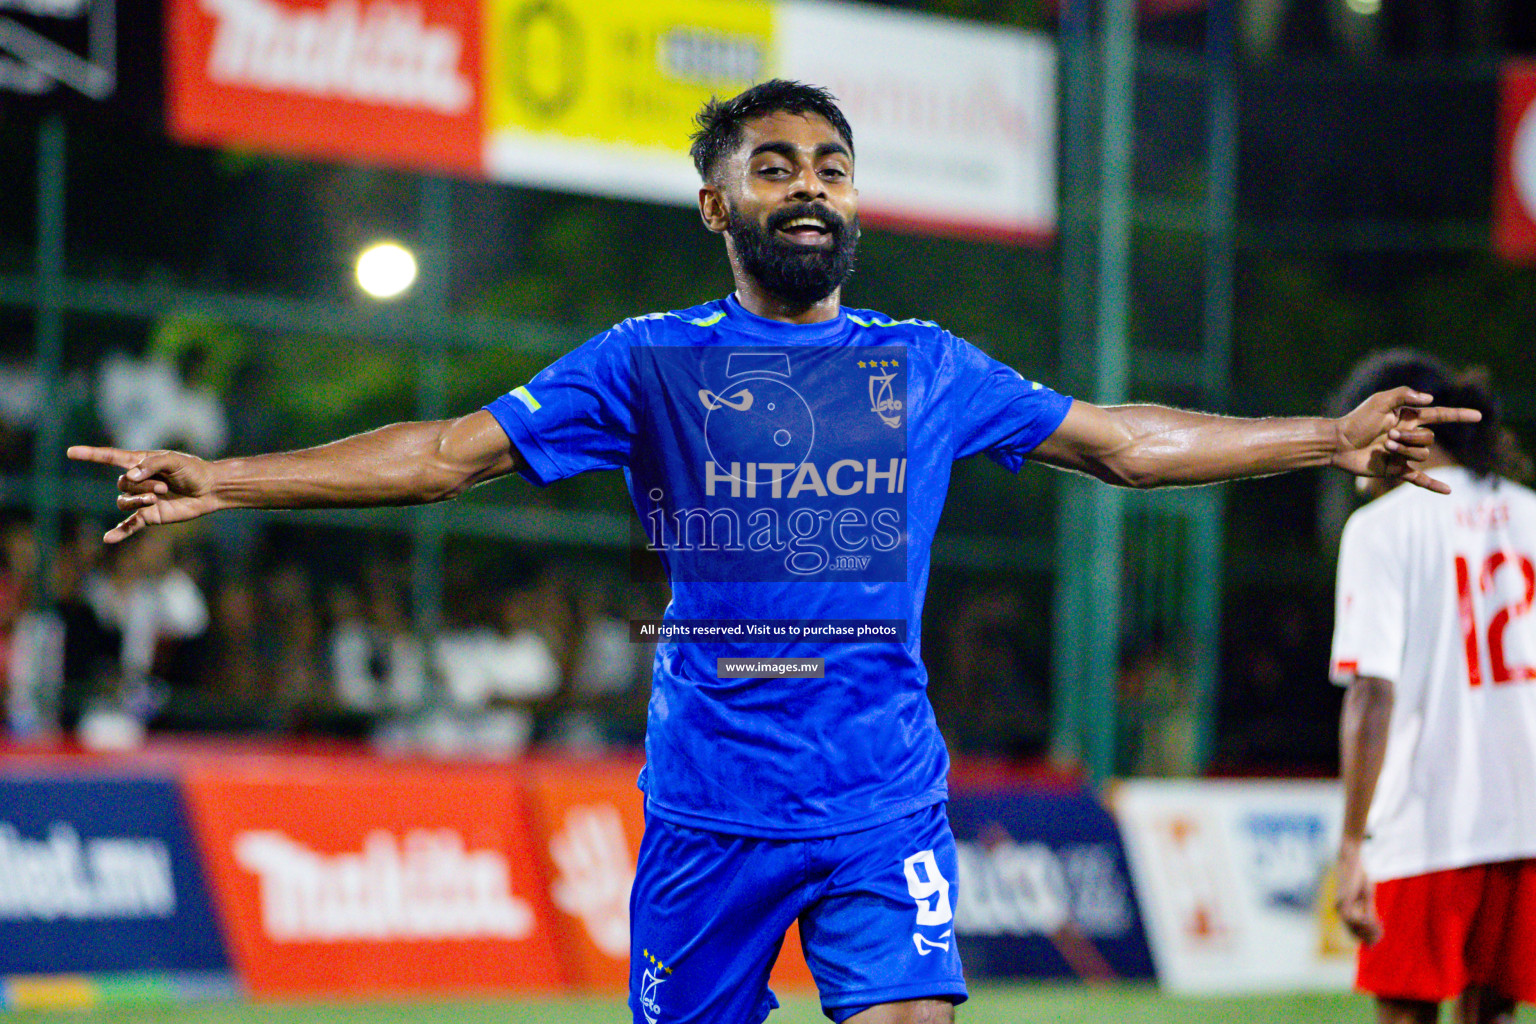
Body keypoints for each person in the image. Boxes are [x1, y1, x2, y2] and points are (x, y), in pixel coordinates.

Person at [69, 81, 1478, 1024]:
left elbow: (1123, 441)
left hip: (880, 795)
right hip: (710, 807)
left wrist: (1325, 437)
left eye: (832, 168)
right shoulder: (643, 364)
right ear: (716, 208)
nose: (809, 187)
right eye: (775, 168)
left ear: (855, 205)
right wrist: (230, 479)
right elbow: (444, 457)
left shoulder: (929, 366)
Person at [1328, 351, 1536, 1024]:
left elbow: (1372, 693)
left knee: (1406, 1012)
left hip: (1428, 821)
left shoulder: (1384, 528)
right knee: (1494, 1014)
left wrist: (1354, 844)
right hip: (1526, 818)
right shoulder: (1531, 513)